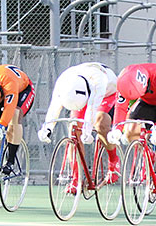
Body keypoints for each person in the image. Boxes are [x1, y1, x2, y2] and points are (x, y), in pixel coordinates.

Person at [107, 63, 156, 207]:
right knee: (130, 131)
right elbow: (121, 106)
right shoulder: (125, 78)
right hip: (147, 101)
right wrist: (117, 129)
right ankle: (149, 153)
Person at [37, 62, 120, 193]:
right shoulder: (63, 83)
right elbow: (54, 106)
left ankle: (113, 162)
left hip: (107, 92)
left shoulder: (98, 80)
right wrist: (47, 128)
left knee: (100, 123)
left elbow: (92, 108)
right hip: (82, 93)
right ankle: (76, 179)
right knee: (74, 130)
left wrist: (87, 131)